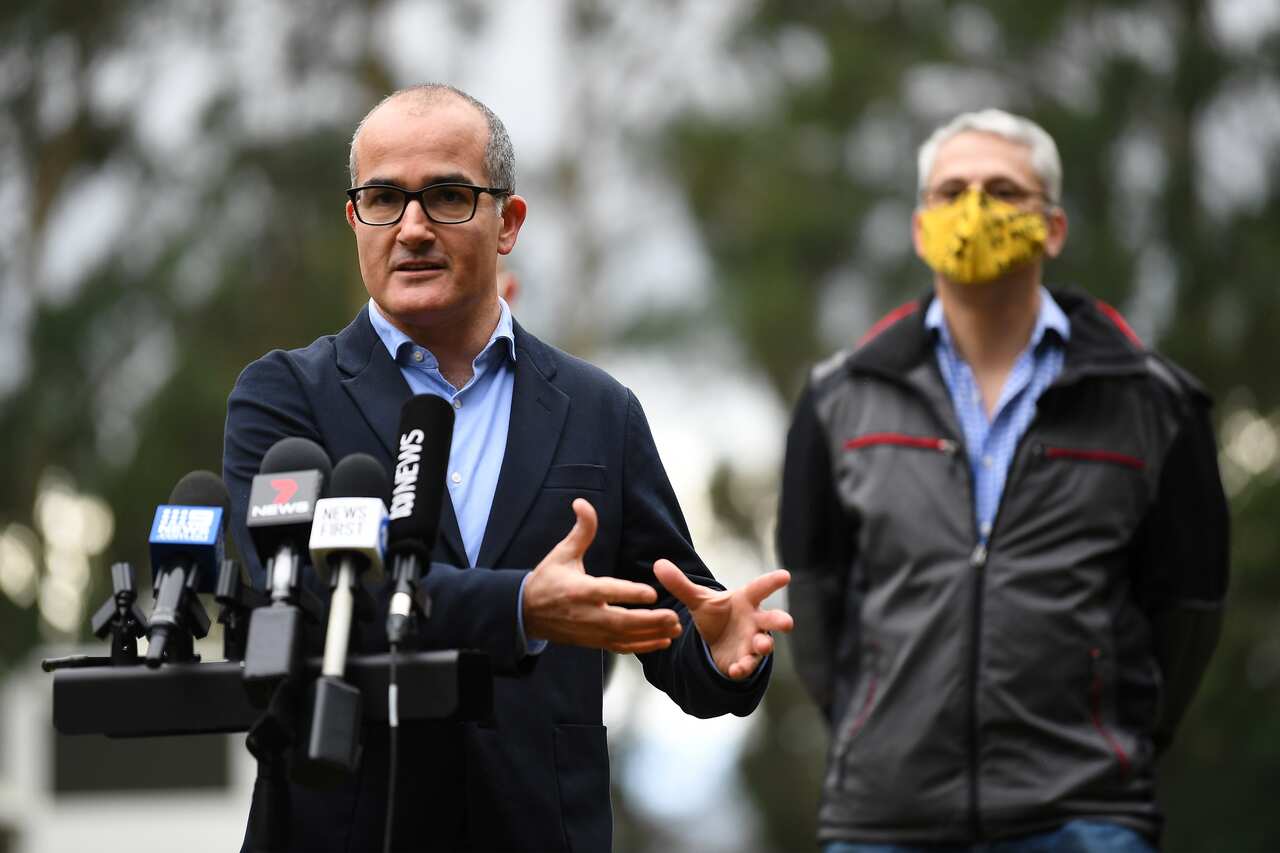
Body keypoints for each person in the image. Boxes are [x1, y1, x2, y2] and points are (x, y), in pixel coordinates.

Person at [223, 84, 792, 852]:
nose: (414, 228)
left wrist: (723, 655)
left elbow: (670, 625)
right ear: (354, 218)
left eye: (449, 196)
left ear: (509, 223)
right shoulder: (285, 398)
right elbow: (305, 589)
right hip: (343, 828)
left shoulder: (599, 410)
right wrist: (520, 604)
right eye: (385, 198)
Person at [778, 109, 1228, 851]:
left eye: (1003, 190)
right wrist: (872, 727)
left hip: (1085, 817)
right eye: (951, 190)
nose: (975, 209)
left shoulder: (1153, 402)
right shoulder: (839, 399)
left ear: (1053, 226)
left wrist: (1113, 743)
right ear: (922, 227)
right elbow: (817, 599)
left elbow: (1186, 612)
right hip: (885, 821)